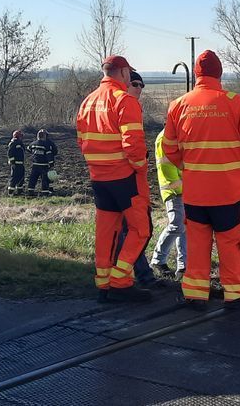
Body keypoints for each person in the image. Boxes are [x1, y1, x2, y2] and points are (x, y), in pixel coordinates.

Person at [161, 50, 240, 308]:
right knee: (230, 243)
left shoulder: (178, 105)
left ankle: (195, 295)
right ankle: (235, 295)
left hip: (196, 194)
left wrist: (192, 169)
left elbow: (169, 149)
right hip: (229, 192)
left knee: (196, 245)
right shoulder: (236, 103)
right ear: (219, 73)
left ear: (196, 74)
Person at [76, 55, 151, 302]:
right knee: (141, 229)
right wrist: (140, 168)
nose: (131, 77)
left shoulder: (87, 101)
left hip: (99, 178)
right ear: (122, 72)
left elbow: (81, 141)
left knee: (106, 231)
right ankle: (121, 281)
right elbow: (133, 145)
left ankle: (104, 284)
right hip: (124, 177)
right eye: (129, 72)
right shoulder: (124, 100)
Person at [115, 70, 157, 287]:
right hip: (128, 181)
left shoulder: (129, 106)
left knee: (137, 230)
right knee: (138, 229)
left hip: (128, 181)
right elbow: (130, 146)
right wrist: (140, 163)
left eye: (142, 85)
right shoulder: (124, 105)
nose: (139, 88)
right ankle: (133, 274)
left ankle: (140, 272)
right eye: (135, 83)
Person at [150, 130, 188, 279]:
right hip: (173, 190)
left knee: (184, 227)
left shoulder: (177, 135)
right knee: (177, 225)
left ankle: (184, 267)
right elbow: (167, 168)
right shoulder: (165, 138)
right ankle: (157, 261)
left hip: (182, 188)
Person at [26, 129, 58, 197]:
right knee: (44, 179)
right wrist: (51, 163)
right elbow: (49, 154)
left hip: (35, 164)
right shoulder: (46, 145)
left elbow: (28, 149)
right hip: (43, 165)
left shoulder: (33, 143)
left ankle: (30, 191)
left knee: (33, 178)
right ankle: (45, 192)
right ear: (45, 136)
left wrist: (35, 153)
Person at [6, 130, 28, 195]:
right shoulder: (14, 143)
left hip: (20, 163)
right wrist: (13, 162)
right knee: (15, 177)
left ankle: (20, 191)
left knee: (21, 177)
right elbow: (10, 153)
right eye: (21, 136)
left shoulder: (19, 143)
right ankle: (11, 192)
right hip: (16, 164)